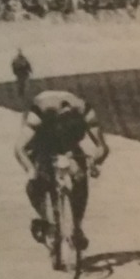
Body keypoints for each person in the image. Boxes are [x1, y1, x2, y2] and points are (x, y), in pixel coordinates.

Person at [14, 89, 109, 253]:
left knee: (80, 177)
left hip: (68, 138)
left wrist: (94, 163)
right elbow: (20, 148)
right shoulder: (39, 113)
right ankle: (46, 221)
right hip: (42, 137)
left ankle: (77, 227)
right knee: (37, 178)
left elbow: (102, 147)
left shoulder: (86, 112)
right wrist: (30, 169)